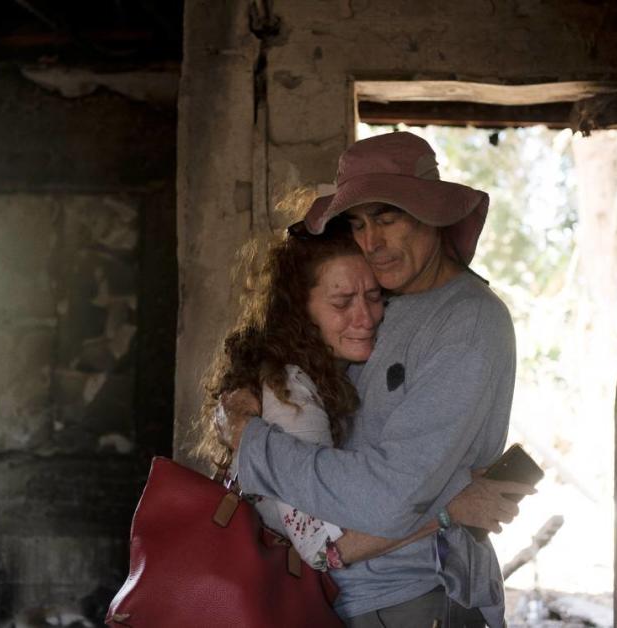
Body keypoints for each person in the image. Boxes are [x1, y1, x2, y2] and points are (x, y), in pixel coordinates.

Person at [218, 132, 524, 628]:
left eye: (388, 217)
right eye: (358, 223)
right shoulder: (381, 302)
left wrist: (253, 443)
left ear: (432, 214)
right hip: (348, 593)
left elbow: (388, 495)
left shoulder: (468, 320)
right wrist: (453, 504)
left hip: (414, 594)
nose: (371, 242)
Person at [195, 213, 524, 575]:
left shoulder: (330, 376)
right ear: (300, 313)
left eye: (374, 297)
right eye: (342, 303)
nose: (365, 317)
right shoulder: (291, 394)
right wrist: (451, 507)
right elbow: (322, 546)